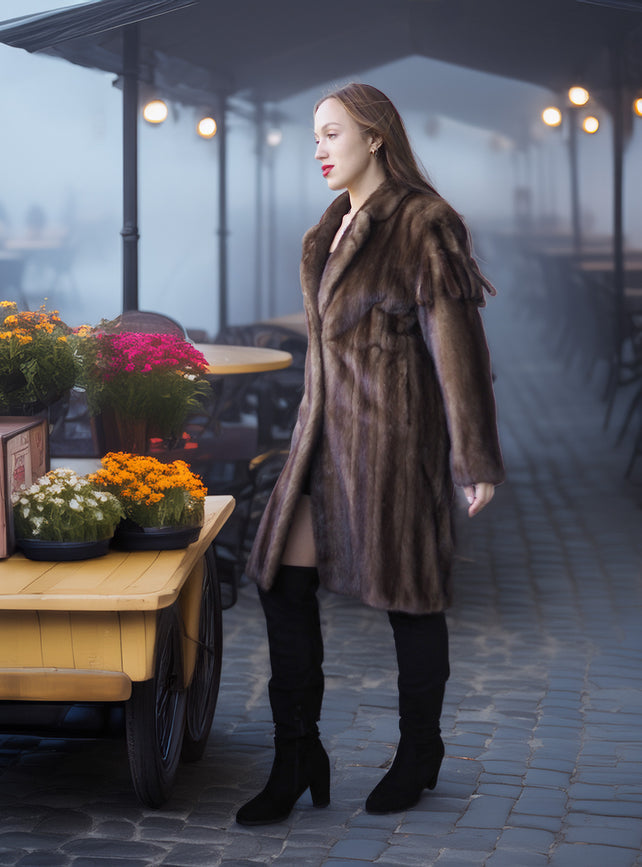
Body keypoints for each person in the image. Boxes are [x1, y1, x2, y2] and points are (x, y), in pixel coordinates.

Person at [236, 83, 504, 826]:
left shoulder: (424, 222)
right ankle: (297, 755)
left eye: (332, 134)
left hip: (393, 442)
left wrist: (473, 459)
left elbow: (460, 349)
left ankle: (419, 752)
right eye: (314, 137)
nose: (319, 150)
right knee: (278, 580)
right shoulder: (328, 229)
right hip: (318, 440)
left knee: (411, 597)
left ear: (375, 136)